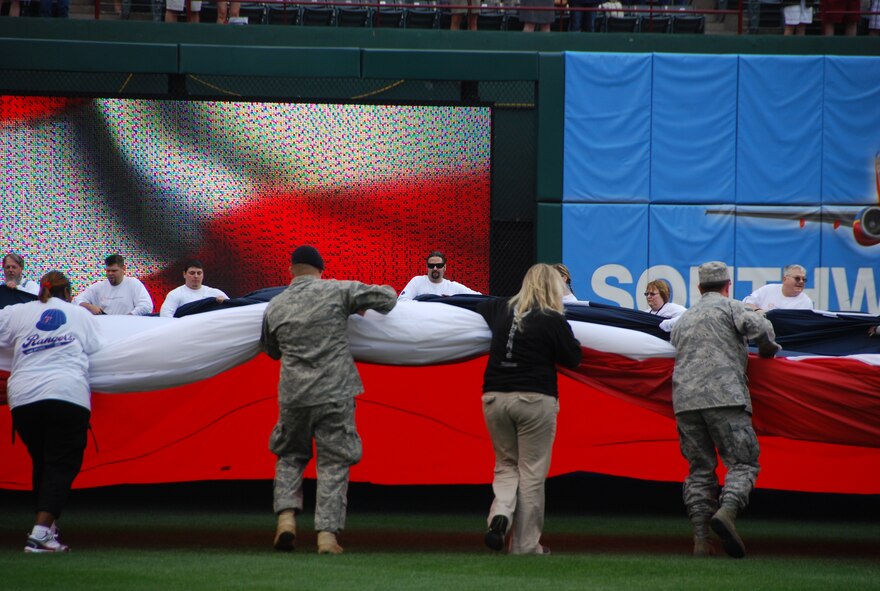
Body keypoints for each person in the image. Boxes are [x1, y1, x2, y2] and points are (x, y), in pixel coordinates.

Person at [261, 245, 397, 555]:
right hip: (335, 391)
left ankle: (286, 520)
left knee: (290, 455)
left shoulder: (276, 305)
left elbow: (272, 350)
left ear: (291, 270)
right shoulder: (338, 290)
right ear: (321, 270)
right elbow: (387, 299)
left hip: (294, 395)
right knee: (334, 462)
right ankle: (326, 537)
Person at [670, 261, 780, 559]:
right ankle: (727, 511)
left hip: (685, 402)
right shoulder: (732, 307)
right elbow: (761, 329)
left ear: (699, 288)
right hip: (726, 397)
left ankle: (701, 539)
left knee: (699, 470)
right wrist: (768, 349)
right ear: (728, 286)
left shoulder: (683, 319)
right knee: (743, 462)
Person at [477, 264, 583, 555]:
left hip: (494, 397)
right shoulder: (552, 318)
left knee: (506, 464)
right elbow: (573, 357)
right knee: (531, 472)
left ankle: (500, 514)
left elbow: (476, 306)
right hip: (534, 398)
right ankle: (525, 545)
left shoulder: (500, 308)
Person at [0, 271, 106, 553]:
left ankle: (48, 529)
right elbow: (98, 347)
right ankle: (40, 534)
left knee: (44, 463)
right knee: (60, 465)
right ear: (69, 293)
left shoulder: (18, 312)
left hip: (24, 398)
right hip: (66, 394)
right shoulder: (79, 314)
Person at [73, 254, 153, 316]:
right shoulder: (99, 287)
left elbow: (146, 305)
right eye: (108, 271)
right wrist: (90, 307)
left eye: (114, 271)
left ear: (123, 269)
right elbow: (76, 300)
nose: (110, 273)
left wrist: (129, 316)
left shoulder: (133, 284)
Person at [398, 251, 481, 301]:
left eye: (439, 265)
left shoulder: (453, 287)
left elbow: (479, 297)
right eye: (431, 266)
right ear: (427, 267)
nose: (435, 268)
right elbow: (402, 300)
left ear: (444, 267)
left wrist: (454, 300)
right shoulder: (417, 281)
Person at [159, 260, 229, 318]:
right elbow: (165, 316)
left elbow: (231, 312)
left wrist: (223, 302)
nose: (196, 276)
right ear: (184, 274)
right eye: (192, 273)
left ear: (203, 275)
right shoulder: (175, 294)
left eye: (199, 273)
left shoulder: (216, 293)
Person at [742, 264, 812, 312]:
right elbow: (746, 304)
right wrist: (758, 311)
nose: (801, 281)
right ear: (784, 279)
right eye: (797, 278)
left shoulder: (806, 302)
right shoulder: (768, 290)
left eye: (804, 279)